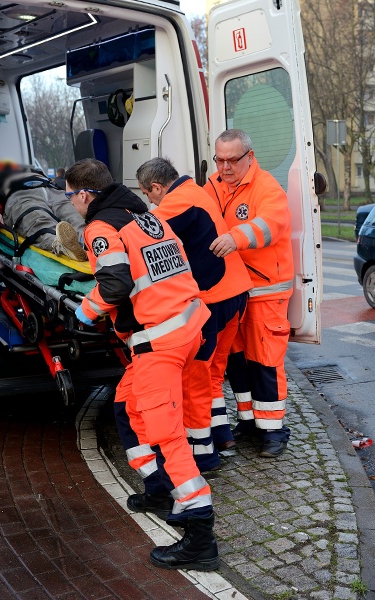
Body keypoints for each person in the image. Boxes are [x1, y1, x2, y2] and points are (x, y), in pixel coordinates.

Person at [66, 158, 218, 571]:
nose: (72, 205)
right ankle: (157, 488)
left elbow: (115, 284)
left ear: (83, 195)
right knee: (126, 407)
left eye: (69, 197)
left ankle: (201, 538)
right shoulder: (144, 214)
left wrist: (85, 310)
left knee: (168, 438)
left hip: (160, 343)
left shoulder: (100, 228)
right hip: (189, 326)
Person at [136, 157, 252, 465]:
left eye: (148, 194)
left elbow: (142, 234)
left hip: (214, 298)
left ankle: (203, 453)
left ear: (157, 187)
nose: (149, 201)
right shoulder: (196, 190)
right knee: (214, 373)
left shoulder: (178, 200)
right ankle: (222, 435)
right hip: (235, 291)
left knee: (196, 378)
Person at [205, 129, 294, 458]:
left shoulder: (266, 187)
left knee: (265, 359)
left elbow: (272, 224)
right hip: (232, 289)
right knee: (236, 359)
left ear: (250, 157)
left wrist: (236, 237)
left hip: (265, 289)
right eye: (220, 159)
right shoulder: (213, 186)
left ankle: (273, 430)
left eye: (232, 160)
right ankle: (247, 420)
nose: (225, 167)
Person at [0, 163, 87, 261]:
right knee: (39, 218)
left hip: (46, 188)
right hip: (28, 193)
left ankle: (87, 242)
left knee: (72, 216)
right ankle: (62, 245)